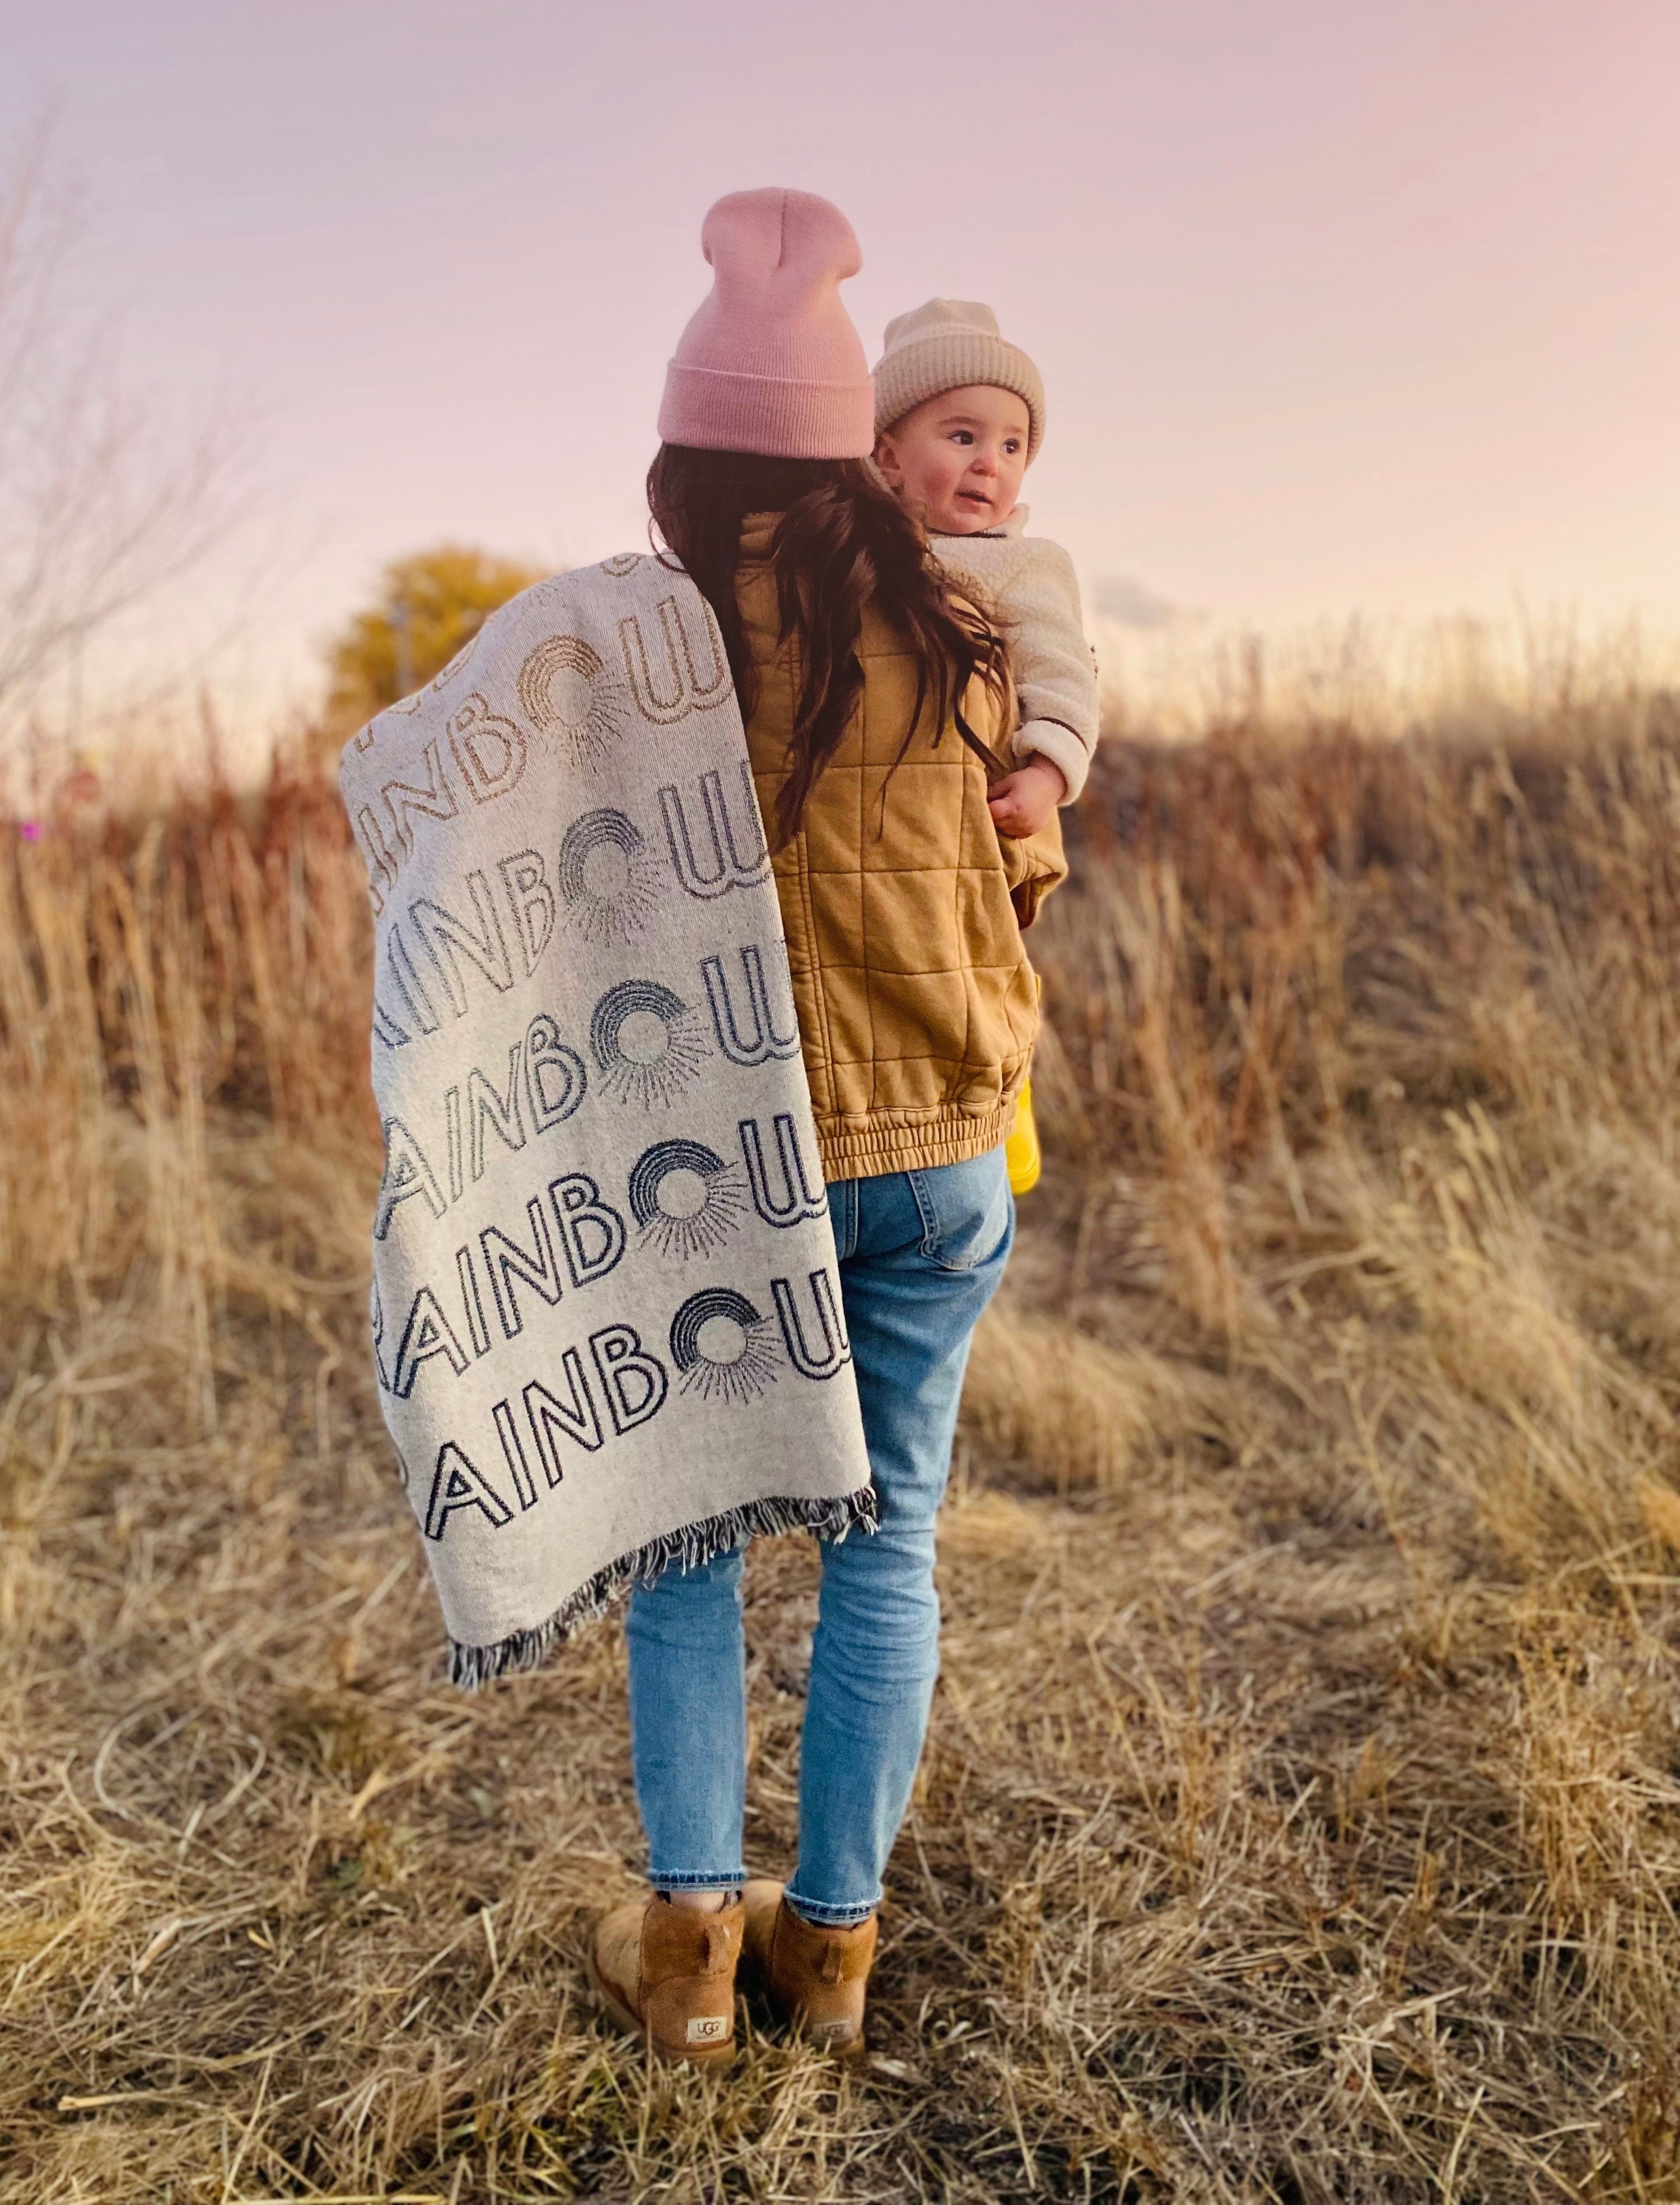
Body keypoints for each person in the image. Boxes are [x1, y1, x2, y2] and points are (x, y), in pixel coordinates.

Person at [587, 188, 1066, 2066]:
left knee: (690, 1553)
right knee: (893, 1545)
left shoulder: (638, 652)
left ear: (692, 457)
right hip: (941, 1154)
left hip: (731, 1169)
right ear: (856, 441)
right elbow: (1019, 870)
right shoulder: (961, 617)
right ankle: (839, 1955)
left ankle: (697, 1952)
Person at [871, 299, 1098, 841]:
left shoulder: (1022, 564)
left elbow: (1061, 672)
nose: (989, 463)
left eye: (1012, 445)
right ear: (889, 457)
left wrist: (1046, 776)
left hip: (972, 812)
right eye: (962, 437)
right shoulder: (854, 546)